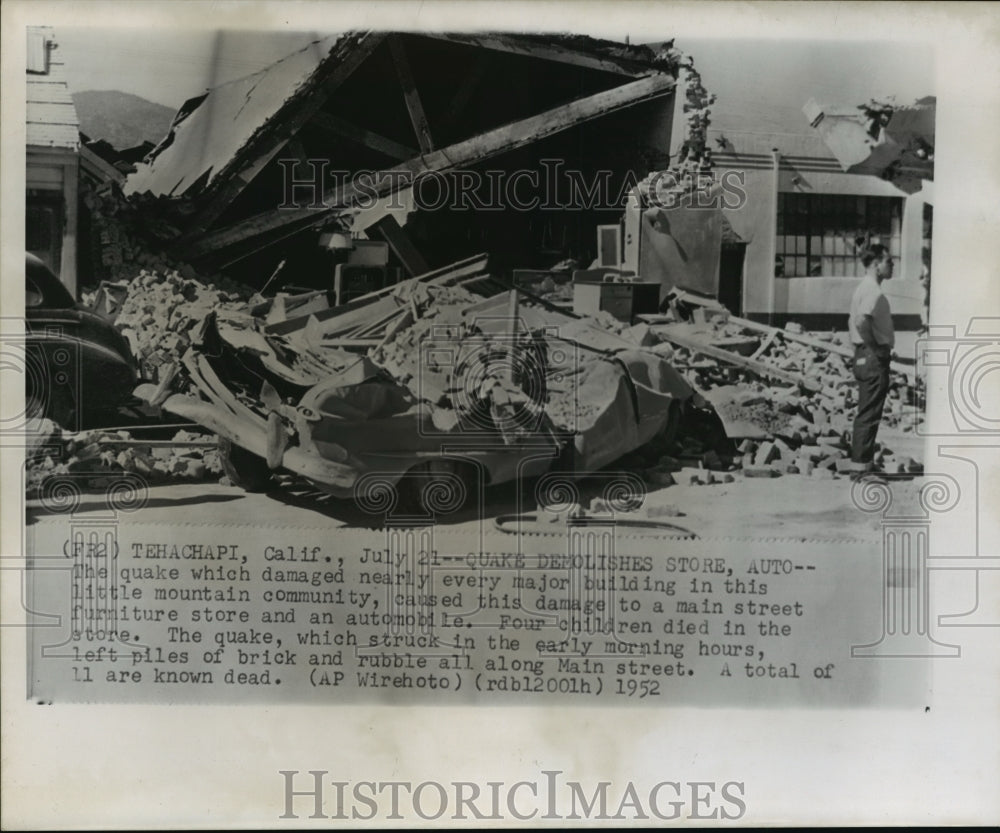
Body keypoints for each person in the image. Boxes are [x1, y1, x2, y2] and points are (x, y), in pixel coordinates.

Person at [848, 244, 895, 477]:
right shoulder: (873, 292)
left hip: (862, 354)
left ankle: (863, 465)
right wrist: (876, 348)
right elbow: (861, 322)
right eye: (889, 261)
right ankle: (860, 470)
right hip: (872, 356)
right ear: (876, 264)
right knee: (869, 414)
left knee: (867, 411)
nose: (892, 265)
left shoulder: (863, 288)